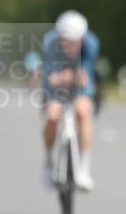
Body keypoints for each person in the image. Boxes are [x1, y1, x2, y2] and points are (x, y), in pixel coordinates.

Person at [41, 11, 100, 191]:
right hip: (57, 83)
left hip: (78, 82)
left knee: (83, 112)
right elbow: (50, 77)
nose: (70, 46)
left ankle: (84, 168)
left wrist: (75, 78)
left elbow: (85, 76)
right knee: (52, 117)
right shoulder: (50, 43)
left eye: (74, 42)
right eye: (65, 41)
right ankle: (48, 163)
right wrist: (60, 79)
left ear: (82, 39)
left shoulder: (91, 44)